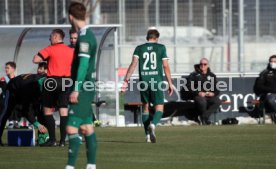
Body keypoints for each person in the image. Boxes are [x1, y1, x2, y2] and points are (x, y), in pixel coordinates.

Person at [122, 29, 173, 143]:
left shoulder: (139, 48)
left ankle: (147, 136)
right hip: (156, 82)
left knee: (145, 107)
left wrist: (126, 81)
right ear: (157, 38)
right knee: (159, 107)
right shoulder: (161, 48)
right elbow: (165, 66)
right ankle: (153, 125)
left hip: (144, 82)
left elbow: (133, 64)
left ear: (147, 37)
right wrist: (170, 82)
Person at [66, 2, 97, 169]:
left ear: (71, 17)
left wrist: (76, 88)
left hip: (83, 88)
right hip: (86, 87)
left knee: (71, 127)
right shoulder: (88, 35)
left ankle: (70, 166)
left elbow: (83, 65)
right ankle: (91, 166)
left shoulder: (84, 37)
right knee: (86, 127)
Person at [33, 29, 74, 147]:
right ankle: (62, 141)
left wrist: (46, 58)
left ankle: (52, 140)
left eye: (50, 37)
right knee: (63, 110)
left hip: (52, 81)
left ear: (56, 37)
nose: (49, 39)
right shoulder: (70, 50)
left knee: (47, 110)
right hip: (66, 81)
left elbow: (36, 59)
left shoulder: (49, 49)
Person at [0, 63, 48, 146]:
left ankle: (42, 138)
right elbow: (26, 110)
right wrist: (37, 125)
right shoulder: (30, 89)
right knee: (6, 112)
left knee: (41, 110)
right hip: (13, 89)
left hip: (25, 88)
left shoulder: (48, 81)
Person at [186, 58, 221, 125]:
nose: (203, 66)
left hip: (209, 96)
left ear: (208, 65)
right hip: (198, 96)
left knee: (217, 101)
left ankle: (204, 117)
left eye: (205, 64)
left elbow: (217, 89)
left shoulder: (212, 75)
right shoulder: (194, 75)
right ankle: (205, 119)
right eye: (201, 64)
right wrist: (198, 92)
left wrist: (213, 93)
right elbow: (189, 87)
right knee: (202, 102)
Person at [254, 55, 276, 122]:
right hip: (269, 94)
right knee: (272, 100)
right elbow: (259, 86)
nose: (273, 63)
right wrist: (271, 90)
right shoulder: (264, 73)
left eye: (275, 61)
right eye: (271, 61)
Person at [0, 62, 18, 128]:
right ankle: (10, 122)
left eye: (8, 68)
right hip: (4, 102)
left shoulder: (17, 79)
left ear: (13, 69)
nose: (6, 69)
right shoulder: (3, 79)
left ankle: (15, 121)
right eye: (5, 68)